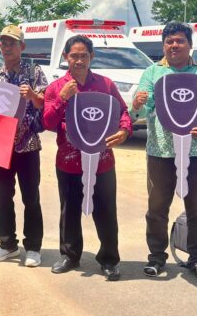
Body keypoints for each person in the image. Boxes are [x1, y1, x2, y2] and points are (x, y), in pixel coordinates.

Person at [43, 35, 131, 281]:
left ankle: (109, 259)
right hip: (69, 161)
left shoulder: (105, 84)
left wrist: (124, 130)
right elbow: (47, 122)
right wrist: (62, 98)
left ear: (92, 57)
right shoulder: (56, 87)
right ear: (66, 57)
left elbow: (122, 111)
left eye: (84, 55)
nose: (79, 60)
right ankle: (70, 256)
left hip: (102, 161)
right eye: (74, 55)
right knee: (69, 210)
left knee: (106, 211)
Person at [132, 21, 197, 283]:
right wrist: (137, 104)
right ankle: (156, 257)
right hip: (160, 151)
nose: (174, 45)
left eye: (180, 41)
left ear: (190, 45)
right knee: (157, 208)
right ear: (163, 46)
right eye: (169, 41)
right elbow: (142, 107)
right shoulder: (152, 73)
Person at [0, 24, 46, 267]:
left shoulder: (34, 72)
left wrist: (33, 96)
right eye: (4, 43)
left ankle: (33, 247)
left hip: (27, 145)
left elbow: (45, 104)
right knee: (3, 197)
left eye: (12, 43)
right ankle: (7, 244)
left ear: (22, 46)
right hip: (0, 146)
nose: (7, 48)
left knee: (31, 197)